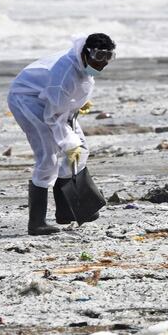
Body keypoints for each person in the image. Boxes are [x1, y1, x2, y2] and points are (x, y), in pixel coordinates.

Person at [7, 33, 116, 236]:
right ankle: (37, 223)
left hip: (51, 102)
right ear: (85, 53)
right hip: (28, 101)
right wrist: (68, 142)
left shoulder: (82, 64)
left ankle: (67, 211)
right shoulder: (63, 75)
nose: (103, 63)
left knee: (80, 150)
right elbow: (53, 116)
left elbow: (68, 99)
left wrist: (77, 105)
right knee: (49, 157)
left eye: (108, 57)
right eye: (99, 57)